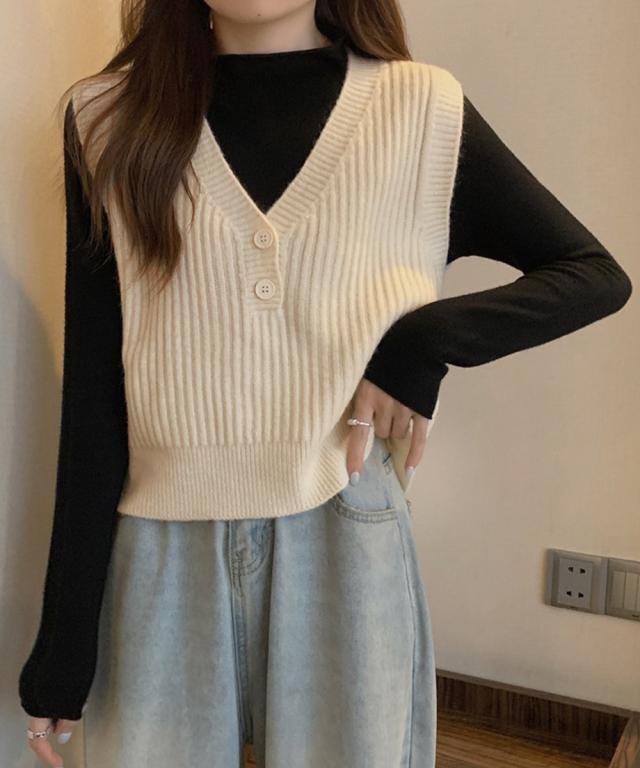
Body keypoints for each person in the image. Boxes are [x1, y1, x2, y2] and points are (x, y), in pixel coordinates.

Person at [19, 1, 632, 767]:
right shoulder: (106, 117)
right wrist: (62, 650)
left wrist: (420, 345)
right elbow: (93, 399)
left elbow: (590, 275)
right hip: (158, 545)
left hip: (345, 524)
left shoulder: (420, 110)